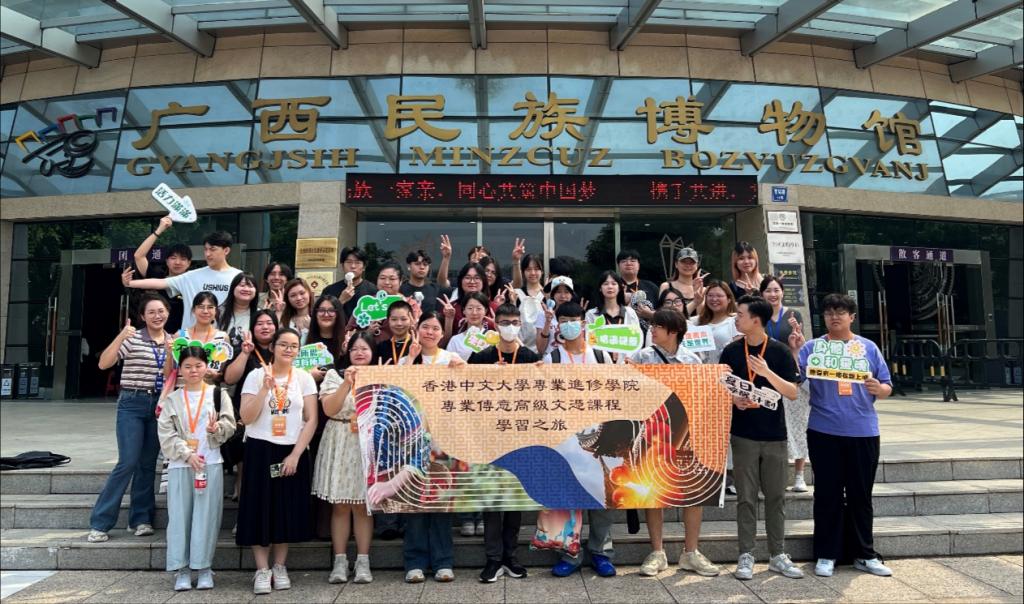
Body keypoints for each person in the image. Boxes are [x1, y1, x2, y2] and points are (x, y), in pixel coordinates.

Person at [793, 293, 894, 579]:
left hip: (863, 430)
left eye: (840, 312)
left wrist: (879, 389)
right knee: (828, 494)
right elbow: (796, 379)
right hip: (823, 430)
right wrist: (795, 350)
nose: (834, 317)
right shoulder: (813, 347)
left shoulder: (868, 347)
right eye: (829, 313)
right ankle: (827, 553)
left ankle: (865, 554)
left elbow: (887, 385)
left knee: (861, 495)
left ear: (852, 317)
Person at [631, 309, 720, 578]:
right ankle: (657, 552)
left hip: (686, 432)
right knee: (652, 491)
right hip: (651, 431)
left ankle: (690, 552)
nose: (652, 330)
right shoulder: (641, 357)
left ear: (674, 331)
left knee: (693, 492)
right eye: (652, 326)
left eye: (658, 326)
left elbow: (703, 396)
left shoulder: (692, 360)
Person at [721, 295, 801, 581]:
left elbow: (792, 392)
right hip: (743, 435)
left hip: (775, 435)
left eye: (740, 314)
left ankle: (778, 554)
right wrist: (734, 400)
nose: (736, 319)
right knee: (745, 497)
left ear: (756, 320)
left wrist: (766, 372)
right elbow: (721, 387)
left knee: (776, 496)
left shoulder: (779, 351)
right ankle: (746, 554)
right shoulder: (731, 351)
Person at [536, 302, 615, 578]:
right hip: (565, 439)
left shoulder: (602, 356)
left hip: (600, 437)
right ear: (558, 325)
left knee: (602, 495)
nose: (570, 324)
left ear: (583, 323)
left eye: (575, 319)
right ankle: (569, 554)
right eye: (564, 320)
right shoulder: (552, 359)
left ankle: (600, 551)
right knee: (567, 495)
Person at [237, 328, 318, 594]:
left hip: (291, 449)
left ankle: (280, 566)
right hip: (260, 448)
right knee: (258, 508)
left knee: (285, 509)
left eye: (294, 346)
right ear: (273, 347)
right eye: (283, 344)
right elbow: (246, 417)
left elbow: (311, 419)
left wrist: (296, 454)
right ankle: (262, 569)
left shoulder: (304, 378)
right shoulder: (255, 375)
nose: (288, 349)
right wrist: (264, 389)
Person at [87, 294, 173, 543]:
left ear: (168, 313)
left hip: (160, 405)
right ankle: (101, 522)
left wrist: (171, 353)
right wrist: (121, 336)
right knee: (127, 461)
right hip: (132, 403)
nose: (157, 316)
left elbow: (170, 374)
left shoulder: (173, 341)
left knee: (147, 464)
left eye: (161, 311)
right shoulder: (133, 338)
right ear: (142, 316)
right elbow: (104, 363)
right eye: (151, 312)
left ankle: (141, 519)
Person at [468, 303, 538, 583]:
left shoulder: (531, 357)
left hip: (521, 439)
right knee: (492, 501)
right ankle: (493, 559)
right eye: (505, 322)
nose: (510, 327)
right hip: (489, 439)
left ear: (521, 324)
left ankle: (511, 557)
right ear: (495, 325)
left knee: (514, 501)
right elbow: (467, 394)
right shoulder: (481, 357)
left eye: (514, 322)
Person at [157, 346, 236, 591]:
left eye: (198, 365)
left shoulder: (218, 394)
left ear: (206, 367)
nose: (193, 371)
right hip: (181, 464)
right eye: (188, 366)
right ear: (180, 369)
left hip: (209, 462)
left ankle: (204, 568)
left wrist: (217, 429)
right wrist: (186, 453)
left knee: (207, 517)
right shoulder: (172, 399)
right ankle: (181, 569)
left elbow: (230, 424)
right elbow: (165, 433)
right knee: (179, 518)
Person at [396, 313, 465, 582]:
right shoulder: (406, 359)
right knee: (415, 501)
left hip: (443, 439)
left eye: (435, 328)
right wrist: (411, 359)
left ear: (442, 333)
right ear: (417, 329)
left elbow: (466, 395)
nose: (430, 332)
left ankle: (443, 562)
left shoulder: (452, 358)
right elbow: (397, 392)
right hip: (412, 440)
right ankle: (414, 562)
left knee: (440, 500)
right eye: (425, 327)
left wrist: (461, 372)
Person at [314, 331, 378, 585]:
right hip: (339, 437)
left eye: (364, 348)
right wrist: (346, 383)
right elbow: (329, 409)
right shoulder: (334, 375)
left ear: (372, 352)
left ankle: (363, 561)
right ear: (347, 351)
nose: (360, 353)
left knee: (363, 505)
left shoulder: (380, 375)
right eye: (355, 349)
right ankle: (339, 561)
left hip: (367, 441)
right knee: (340, 504)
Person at [124, 231, 241, 329]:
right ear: (166, 261)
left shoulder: (238, 277)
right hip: (188, 339)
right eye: (205, 249)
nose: (208, 254)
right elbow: (160, 282)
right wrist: (130, 283)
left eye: (212, 249)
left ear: (226, 250)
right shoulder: (192, 276)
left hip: (223, 337)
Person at [759, 275, 810, 492]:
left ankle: (799, 475)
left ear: (782, 292)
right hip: (762, 376)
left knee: (798, 424)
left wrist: (797, 341)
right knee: (767, 426)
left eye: (776, 290)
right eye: (768, 290)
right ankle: (767, 477)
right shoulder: (757, 314)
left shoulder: (793, 315)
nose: (773, 294)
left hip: (789, 373)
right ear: (761, 294)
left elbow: (801, 345)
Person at [222, 310, 279, 503]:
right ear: (252, 328)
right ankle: (244, 508)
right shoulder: (245, 349)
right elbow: (229, 378)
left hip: (278, 413)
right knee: (245, 463)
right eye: (259, 323)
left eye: (269, 323)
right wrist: (245, 352)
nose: (265, 327)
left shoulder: (283, 349)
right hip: (248, 413)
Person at [124, 215, 192, 332]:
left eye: (183, 259)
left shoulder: (193, 281)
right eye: (173, 258)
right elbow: (139, 256)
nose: (177, 262)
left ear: (189, 263)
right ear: (166, 261)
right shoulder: (157, 276)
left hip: (182, 337)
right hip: (154, 335)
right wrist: (159, 230)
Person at [174, 293, 231, 386]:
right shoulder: (180, 336)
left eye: (210, 307)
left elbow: (222, 373)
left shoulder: (223, 337)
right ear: (193, 310)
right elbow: (170, 371)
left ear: (216, 311)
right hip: (182, 391)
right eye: (201, 307)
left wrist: (215, 375)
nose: (205, 311)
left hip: (209, 391)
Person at [585, 271, 640, 364]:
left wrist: (627, 361)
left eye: (614, 284)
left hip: (627, 366)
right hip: (601, 366)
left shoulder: (630, 313)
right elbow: (591, 343)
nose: (610, 287)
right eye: (606, 284)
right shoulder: (591, 314)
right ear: (600, 288)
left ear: (620, 288)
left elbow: (636, 340)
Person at [323, 247, 378, 319]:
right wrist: (341, 301)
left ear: (364, 267)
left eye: (357, 262)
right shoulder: (329, 290)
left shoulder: (372, 290)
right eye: (349, 262)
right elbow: (323, 316)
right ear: (342, 265)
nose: (353, 266)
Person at [445, 292, 496, 362]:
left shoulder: (493, 337)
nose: (474, 313)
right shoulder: (455, 340)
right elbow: (448, 364)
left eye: (478, 308)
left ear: (485, 311)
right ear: (464, 310)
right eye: (470, 308)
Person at [659, 247, 708, 317]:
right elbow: (662, 315)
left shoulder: (702, 289)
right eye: (683, 262)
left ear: (697, 265)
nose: (687, 265)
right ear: (676, 264)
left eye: (692, 262)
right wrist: (695, 302)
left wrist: (697, 293)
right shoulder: (666, 286)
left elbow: (701, 317)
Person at [512, 253, 545, 353]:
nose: (533, 273)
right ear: (523, 272)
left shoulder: (547, 295)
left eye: (536, 269)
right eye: (528, 269)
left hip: (543, 349)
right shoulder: (516, 294)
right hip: (519, 349)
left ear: (542, 271)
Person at [218, 272, 259, 353]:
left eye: (250, 286)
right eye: (242, 285)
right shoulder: (219, 312)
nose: (246, 289)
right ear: (233, 288)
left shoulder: (259, 314)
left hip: (250, 358)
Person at [536, 276, 577, 355]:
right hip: (550, 359)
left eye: (566, 292)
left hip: (571, 359)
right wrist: (548, 322)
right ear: (552, 294)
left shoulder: (577, 315)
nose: (563, 296)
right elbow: (540, 349)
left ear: (572, 295)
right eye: (558, 292)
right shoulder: (543, 315)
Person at [617, 249, 658, 325]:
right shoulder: (613, 288)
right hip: (619, 330)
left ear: (639, 265)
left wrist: (651, 314)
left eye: (633, 261)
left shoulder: (651, 287)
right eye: (624, 261)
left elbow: (664, 314)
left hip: (648, 331)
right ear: (618, 266)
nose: (628, 263)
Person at [401, 250, 443, 314]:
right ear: (409, 266)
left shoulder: (435, 289)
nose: (422, 267)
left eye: (425, 264)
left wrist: (446, 258)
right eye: (417, 264)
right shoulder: (400, 290)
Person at [376, 300, 415, 365]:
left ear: (411, 319)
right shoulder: (381, 347)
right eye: (394, 319)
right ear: (388, 320)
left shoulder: (417, 346)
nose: (399, 323)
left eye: (404, 319)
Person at [280, 278, 313, 345]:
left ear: (309, 293)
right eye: (293, 295)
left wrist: (312, 328)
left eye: (302, 293)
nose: (298, 298)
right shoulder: (285, 320)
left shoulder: (319, 316)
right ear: (288, 299)